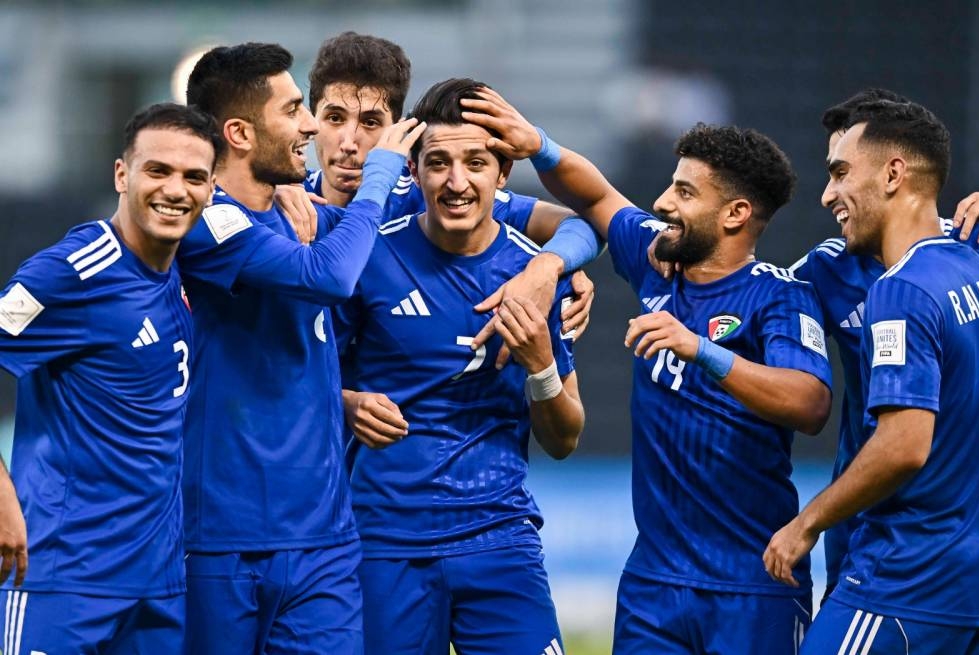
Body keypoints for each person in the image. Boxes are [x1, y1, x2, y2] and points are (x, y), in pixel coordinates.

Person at [463, 90, 833, 653]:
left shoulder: (778, 298)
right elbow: (599, 197)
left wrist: (701, 350)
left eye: (685, 192)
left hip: (753, 583)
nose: (663, 202)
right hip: (653, 586)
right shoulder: (659, 263)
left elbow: (810, 403)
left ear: (735, 214)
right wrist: (540, 146)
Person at [179, 42, 424, 654]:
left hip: (324, 543)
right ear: (238, 132)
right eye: (295, 111)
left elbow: (448, 237)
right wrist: (377, 182)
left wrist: (553, 263)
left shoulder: (306, 215)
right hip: (222, 538)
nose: (312, 127)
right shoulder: (207, 222)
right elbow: (329, 278)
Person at [332, 78, 585, 655]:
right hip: (384, 544)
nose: (456, 181)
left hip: (500, 541)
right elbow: (305, 383)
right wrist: (345, 403)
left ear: (502, 175)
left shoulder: (536, 276)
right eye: (438, 162)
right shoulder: (364, 259)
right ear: (413, 173)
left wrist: (540, 363)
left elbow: (566, 436)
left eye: (476, 162)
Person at [764, 100, 979, 653]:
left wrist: (806, 523)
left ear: (893, 173)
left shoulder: (903, 286)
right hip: (977, 572)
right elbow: (760, 292)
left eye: (841, 171)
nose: (827, 195)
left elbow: (903, 446)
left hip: (908, 569)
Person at [0, 103, 221, 652]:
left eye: (194, 177)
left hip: (158, 582)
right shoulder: (75, 270)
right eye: (157, 171)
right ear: (122, 175)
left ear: (212, 189)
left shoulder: (186, 264)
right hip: (61, 574)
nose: (176, 189)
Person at [281, 31, 599, 346]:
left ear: (399, 129)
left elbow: (582, 224)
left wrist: (549, 266)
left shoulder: (437, 197)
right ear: (311, 120)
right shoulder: (284, 199)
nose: (349, 143)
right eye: (335, 118)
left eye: (370, 123)